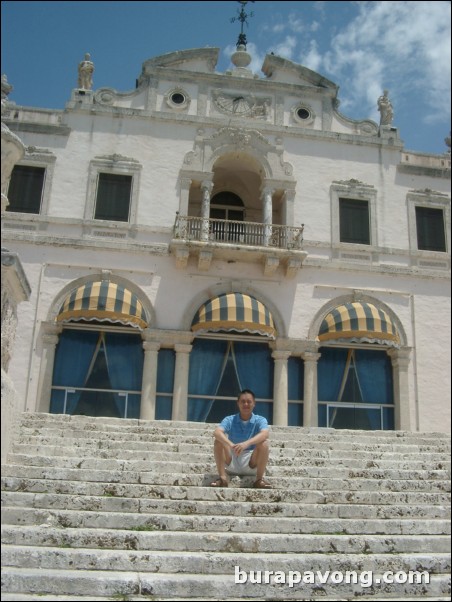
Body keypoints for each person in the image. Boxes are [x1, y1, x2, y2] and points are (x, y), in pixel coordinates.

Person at [210, 389, 272, 489]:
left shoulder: (260, 420)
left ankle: (259, 479)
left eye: (249, 402)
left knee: (264, 443)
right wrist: (231, 445)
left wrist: (246, 444)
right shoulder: (229, 419)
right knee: (218, 441)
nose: (246, 404)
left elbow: (265, 434)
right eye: (243, 401)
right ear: (238, 403)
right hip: (231, 458)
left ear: (254, 404)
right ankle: (222, 478)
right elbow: (217, 432)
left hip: (251, 461)